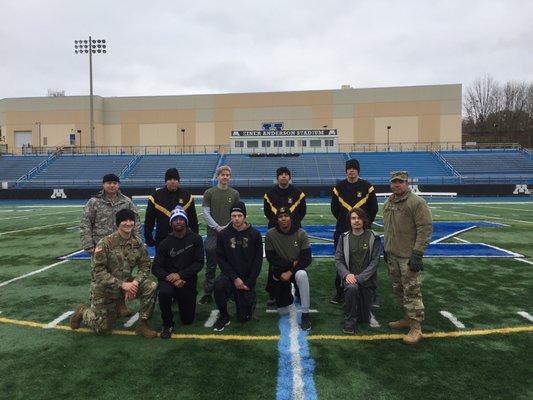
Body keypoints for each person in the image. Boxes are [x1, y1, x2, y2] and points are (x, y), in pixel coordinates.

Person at [70, 209, 158, 338]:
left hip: (127, 283)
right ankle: (83, 312)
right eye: (125, 220)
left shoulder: (137, 243)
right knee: (103, 329)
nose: (128, 223)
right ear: (118, 223)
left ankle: (142, 324)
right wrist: (122, 285)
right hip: (105, 288)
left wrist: (135, 282)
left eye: (131, 220)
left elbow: (145, 265)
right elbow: (98, 272)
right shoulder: (105, 243)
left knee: (151, 286)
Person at [80, 173, 140, 317]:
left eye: (114, 182)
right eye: (109, 183)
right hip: (100, 247)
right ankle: (94, 304)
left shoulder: (126, 202)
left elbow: (135, 222)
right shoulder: (94, 202)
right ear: (103, 185)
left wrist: (136, 242)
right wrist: (89, 245)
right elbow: (85, 224)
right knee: (98, 276)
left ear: (118, 184)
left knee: (122, 275)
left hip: (122, 247)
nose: (112, 185)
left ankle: (121, 303)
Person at [383, 171, 432, 345]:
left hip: (408, 257)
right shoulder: (389, 202)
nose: (396, 185)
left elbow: (425, 229)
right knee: (399, 290)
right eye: (394, 182)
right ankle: (407, 318)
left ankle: (416, 328)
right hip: (393, 255)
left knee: (411, 291)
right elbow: (388, 229)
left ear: (407, 183)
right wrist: (386, 249)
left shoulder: (416, 203)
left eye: (400, 182)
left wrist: (417, 254)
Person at [330, 159, 378, 305]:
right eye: (349, 169)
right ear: (346, 171)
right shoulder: (339, 187)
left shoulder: (367, 187)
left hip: (363, 231)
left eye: (354, 169)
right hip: (342, 231)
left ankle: (371, 294)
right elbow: (334, 209)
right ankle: (340, 293)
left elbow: (373, 208)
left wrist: (364, 224)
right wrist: (346, 223)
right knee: (342, 261)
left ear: (358, 171)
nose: (351, 171)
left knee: (367, 262)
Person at [152, 206, 204, 339]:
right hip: (168, 281)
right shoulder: (165, 243)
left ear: (186, 221)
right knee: (164, 293)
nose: (179, 221)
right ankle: (167, 323)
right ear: (171, 223)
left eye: (181, 219)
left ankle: (185, 299)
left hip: (187, 280)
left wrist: (181, 275)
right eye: (175, 219)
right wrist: (172, 278)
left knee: (187, 320)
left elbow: (199, 263)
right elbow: (156, 267)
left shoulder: (196, 239)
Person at [212, 201, 263, 331]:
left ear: (245, 216)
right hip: (230, 277)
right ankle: (224, 316)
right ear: (230, 217)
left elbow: (258, 261)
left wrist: (249, 282)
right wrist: (235, 278)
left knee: (243, 318)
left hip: (247, 279)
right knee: (218, 284)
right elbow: (221, 259)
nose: (236, 218)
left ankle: (246, 298)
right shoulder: (223, 234)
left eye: (239, 215)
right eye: (234, 215)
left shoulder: (255, 235)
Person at [263, 166, 307, 307]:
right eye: (281, 174)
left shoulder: (298, 193)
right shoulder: (269, 194)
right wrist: (279, 224)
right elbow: (268, 213)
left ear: (290, 177)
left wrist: (291, 224)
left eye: (286, 174)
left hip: (294, 232)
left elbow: (302, 212)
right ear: (277, 177)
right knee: (274, 263)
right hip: (275, 232)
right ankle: (273, 293)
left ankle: (300, 290)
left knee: (298, 259)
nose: (283, 176)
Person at [265, 207, 313, 330]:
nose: (283, 219)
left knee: (302, 274)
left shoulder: (301, 233)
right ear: (277, 219)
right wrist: (291, 265)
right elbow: (271, 258)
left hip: (296, 270)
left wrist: (291, 271)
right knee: (282, 311)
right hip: (280, 271)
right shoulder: (270, 234)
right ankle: (287, 295)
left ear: (291, 217)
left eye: (286, 215)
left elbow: (306, 259)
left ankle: (305, 314)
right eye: (280, 216)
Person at [198, 165, 240, 305]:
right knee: (211, 265)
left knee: (231, 264)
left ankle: (230, 291)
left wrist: (227, 227)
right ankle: (208, 292)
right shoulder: (209, 192)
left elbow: (236, 214)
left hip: (229, 234)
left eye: (227, 175)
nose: (225, 177)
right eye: (223, 175)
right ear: (218, 176)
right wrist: (217, 227)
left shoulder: (234, 193)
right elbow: (205, 212)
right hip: (213, 234)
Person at [335, 207, 381, 334]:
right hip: (350, 279)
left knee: (364, 318)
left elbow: (375, 262)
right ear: (349, 221)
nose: (356, 221)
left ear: (364, 220)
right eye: (353, 218)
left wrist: (360, 278)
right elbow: (338, 260)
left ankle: (358, 304)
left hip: (367, 281)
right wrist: (346, 274)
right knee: (352, 288)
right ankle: (349, 321)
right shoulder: (343, 238)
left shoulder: (373, 237)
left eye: (359, 218)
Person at [144, 168, 199, 248]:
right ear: (165, 181)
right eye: (169, 179)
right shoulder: (156, 197)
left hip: (183, 240)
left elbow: (193, 219)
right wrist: (148, 237)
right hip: (162, 239)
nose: (172, 181)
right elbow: (149, 220)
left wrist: (195, 237)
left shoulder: (187, 196)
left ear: (179, 181)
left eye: (175, 179)